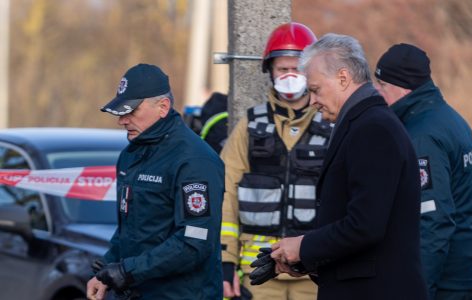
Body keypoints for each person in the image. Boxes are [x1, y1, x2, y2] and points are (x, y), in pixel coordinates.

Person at [269, 33, 428, 300]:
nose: (311, 101)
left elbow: (365, 225)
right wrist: (308, 261)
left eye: (315, 89)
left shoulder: (373, 129)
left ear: (343, 78)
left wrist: (304, 247)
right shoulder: (364, 124)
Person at [86, 63, 224, 300]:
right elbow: (129, 229)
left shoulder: (194, 160)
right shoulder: (131, 155)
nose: (122, 120)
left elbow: (194, 241)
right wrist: (108, 267)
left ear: (163, 107)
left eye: (131, 111)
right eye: (121, 112)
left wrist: (128, 270)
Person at [220, 22, 331, 300]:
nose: (290, 76)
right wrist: (225, 261)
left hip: (316, 273)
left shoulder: (333, 125)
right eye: (283, 69)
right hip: (258, 273)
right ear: (270, 71)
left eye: (298, 69)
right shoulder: (250, 125)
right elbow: (226, 194)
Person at [373, 43, 472, 300]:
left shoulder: (422, 135)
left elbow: (432, 220)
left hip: (444, 281)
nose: (378, 93)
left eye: (383, 86)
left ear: (403, 87)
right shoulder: (451, 119)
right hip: (463, 272)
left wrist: (418, 290)